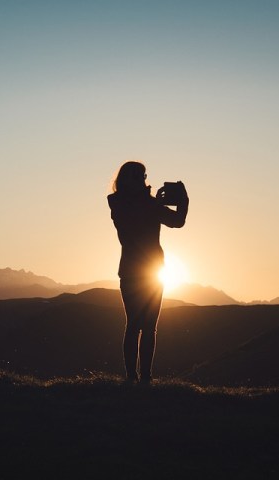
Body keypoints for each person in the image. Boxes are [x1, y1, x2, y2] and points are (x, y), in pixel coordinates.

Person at [107, 161, 188, 385]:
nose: (144, 180)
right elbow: (133, 222)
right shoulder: (118, 203)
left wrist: (183, 201)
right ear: (128, 179)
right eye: (139, 176)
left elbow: (177, 221)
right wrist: (157, 203)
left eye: (144, 175)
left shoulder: (145, 204)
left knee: (147, 326)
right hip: (139, 271)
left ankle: (143, 378)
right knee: (136, 324)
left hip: (148, 270)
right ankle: (134, 377)